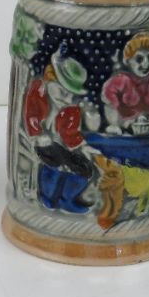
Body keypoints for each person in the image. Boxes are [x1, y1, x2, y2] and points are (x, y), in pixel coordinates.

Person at [24, 46, 100, 213]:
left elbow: (70, 134)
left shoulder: (71, 110)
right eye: (61, 90)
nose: (67, 98)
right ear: (49, 80)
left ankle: (67, 198)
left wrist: (82, 146)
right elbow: (31, 115)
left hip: (61, 146)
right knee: (54, 162)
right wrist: (37, 134)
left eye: (71, 94)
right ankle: (47, 197)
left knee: (84, 168)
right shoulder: (38, 93)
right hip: (42, 143)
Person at [102, 32, 149, 135]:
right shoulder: (121, 80)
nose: (146, 64)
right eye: (139, 59)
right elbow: (108, 101)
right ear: (127, 60)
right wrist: (116, 124)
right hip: (124, 129)